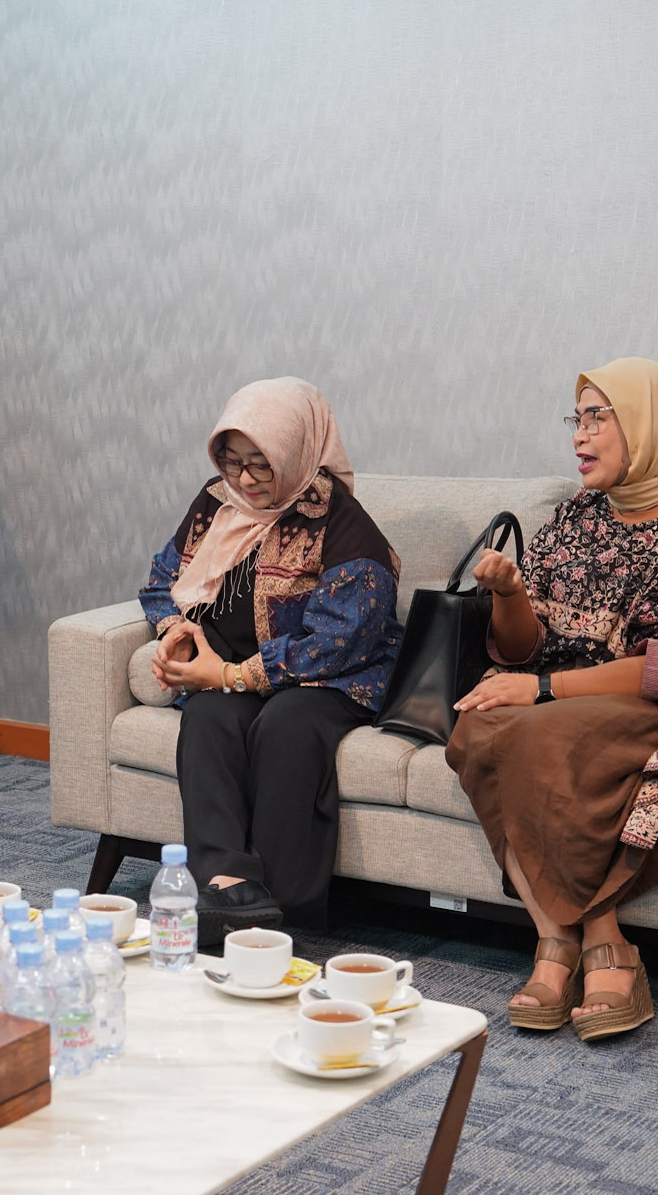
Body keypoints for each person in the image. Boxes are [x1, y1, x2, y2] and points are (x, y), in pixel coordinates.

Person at [446, 359, 658, 1041]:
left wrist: (543, 689)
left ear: (652, 425)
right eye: (578, 418)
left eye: (599, 417)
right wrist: (510, 593)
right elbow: (523, 648)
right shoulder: (578, 515)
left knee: (539, 733)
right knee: (474, 728)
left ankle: (584, 944)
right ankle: (569, 936)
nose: (580, 434)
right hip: (567, 694)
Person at [139, 378, 402, 945]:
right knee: (207, 716)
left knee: (287, 725)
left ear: (297, 452)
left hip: (332, 679)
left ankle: (283, 905)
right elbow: (162, 580)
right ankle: (228, 886)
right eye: (232, 462)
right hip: (232, 672)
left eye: (262, 463)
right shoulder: (214, 503)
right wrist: (177, 630)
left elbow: (340, 640)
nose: (245, 480)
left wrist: (232, 675)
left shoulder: (341, 522)